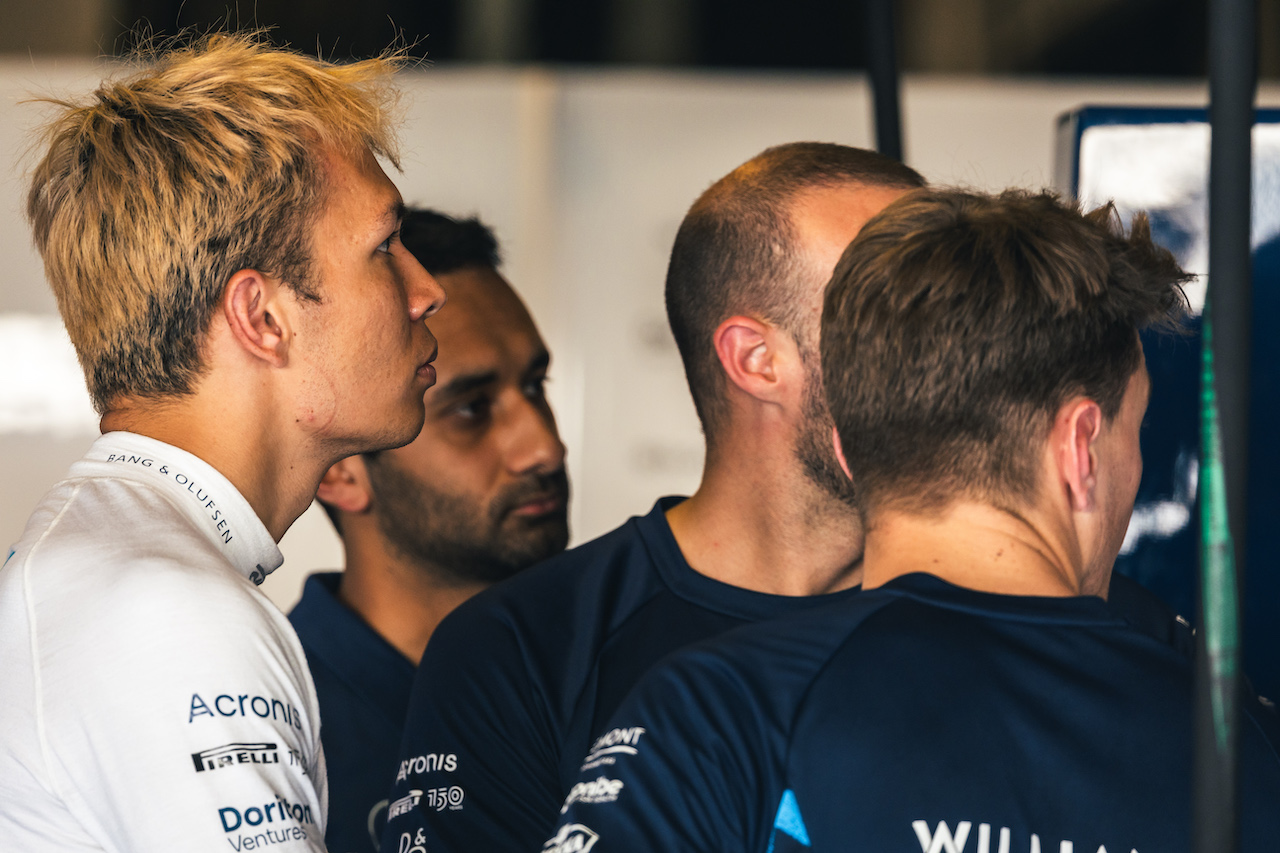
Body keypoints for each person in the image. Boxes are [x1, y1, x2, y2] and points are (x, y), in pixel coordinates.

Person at [547, 188, 1280, 852]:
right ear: (1081, 445)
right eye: (1137, 432)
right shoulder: (1229, 743)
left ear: (847, 448)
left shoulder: (724, 712)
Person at [381, 142, 926, 853]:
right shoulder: (526, 646)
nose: (943, 349)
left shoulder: (997, 613)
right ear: (756, 359)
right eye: (896, 312)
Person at [0, 34, 446, 853]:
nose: (426, 290)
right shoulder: (169, 611)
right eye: (384, 247)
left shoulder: (115, 567)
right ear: (263, 318)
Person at [288, 209, 569, 853]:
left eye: (536, 386)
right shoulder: (271, 724)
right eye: (471, 409)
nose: (544, 447)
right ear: (340, 473)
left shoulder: (633, 669)